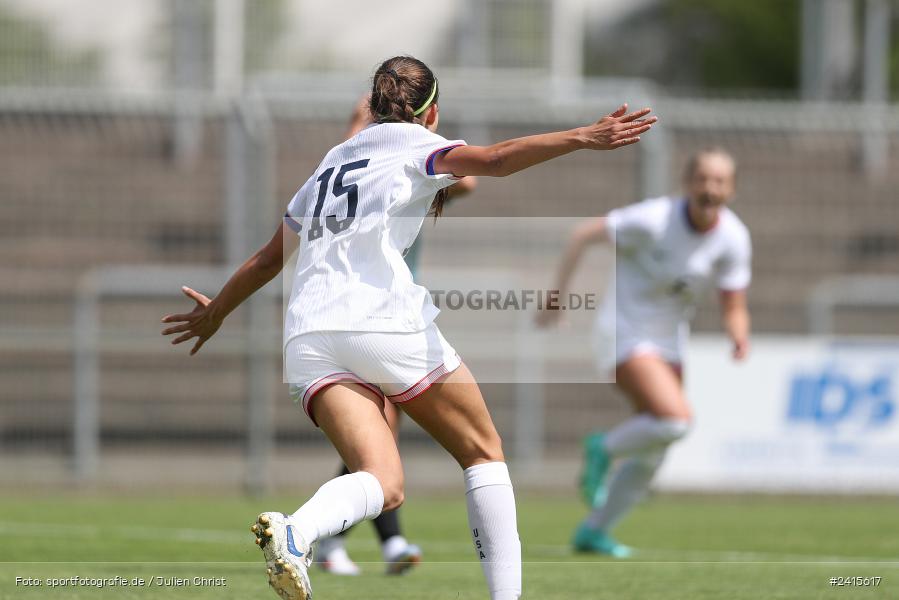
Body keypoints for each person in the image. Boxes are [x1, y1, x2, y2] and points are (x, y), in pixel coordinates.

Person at [161, 55, 656, 600]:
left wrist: (216, 313)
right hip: (380, 323)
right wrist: (582, 136)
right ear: (432, 112)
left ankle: (297, 531)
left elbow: (266, 260)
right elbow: (494, 160)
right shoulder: (416, 144)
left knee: (384, 484)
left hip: (308, 336)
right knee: (482, 451)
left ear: (370, 107)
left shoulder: (330, 162)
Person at [537, 148, 751, 558]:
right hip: (624, 332)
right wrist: (556, 297)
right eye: (703, 178)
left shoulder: (734, 239)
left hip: (670, 342)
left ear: (732, 189)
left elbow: (734, 304)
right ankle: (602, 448)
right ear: (689, 183)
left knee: (653, 451)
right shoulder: (654, 219)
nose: (710, 188)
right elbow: (583, 234)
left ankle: (593, 532)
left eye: (720, 181)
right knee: (675, 421)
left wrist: (738, 336)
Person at [315, 95, 478, 577]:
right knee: (381, 431)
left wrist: (423, 139)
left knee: (384, 433)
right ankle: (331, 537)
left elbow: (466, 183)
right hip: (361, 313)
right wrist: (364, 122)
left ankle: (356, 541)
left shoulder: (409, 159)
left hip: (387, 314)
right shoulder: (356, 158)